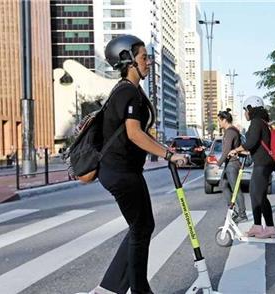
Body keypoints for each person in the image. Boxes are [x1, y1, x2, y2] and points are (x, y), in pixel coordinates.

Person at [91, 35, 186, 294]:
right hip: (120, 173)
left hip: (123, 171)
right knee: (141, 227)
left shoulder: (128, 90)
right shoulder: (128, 92)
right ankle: (139, 290)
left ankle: (111, 286)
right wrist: (169, 155)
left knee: (142, 226)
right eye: (144, 57)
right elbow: (134, 133)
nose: (149, 62)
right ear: (127, 60)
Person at [228, 96, 275, 239]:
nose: (245, 113)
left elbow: (251, 142)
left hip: (263, 164)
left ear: (250, 108)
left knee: (257, 195)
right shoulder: (263, 122)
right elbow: (256, 145)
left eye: (245, 109)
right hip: (264, 162)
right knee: (259, 195)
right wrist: (243, 151)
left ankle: (265, 227)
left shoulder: (256, 122)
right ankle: (262, 227)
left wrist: (236, 150)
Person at [217, 108, 247, 223]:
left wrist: (217, 165)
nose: (219, 123)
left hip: (232, 164)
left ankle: (242, 213)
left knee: (235, 190)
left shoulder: (230, 132)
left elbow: (226, 151)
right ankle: (232, 210)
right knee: (223, 185)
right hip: (229, 164)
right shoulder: (230, 131)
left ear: (224, 120)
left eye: (219, 120)